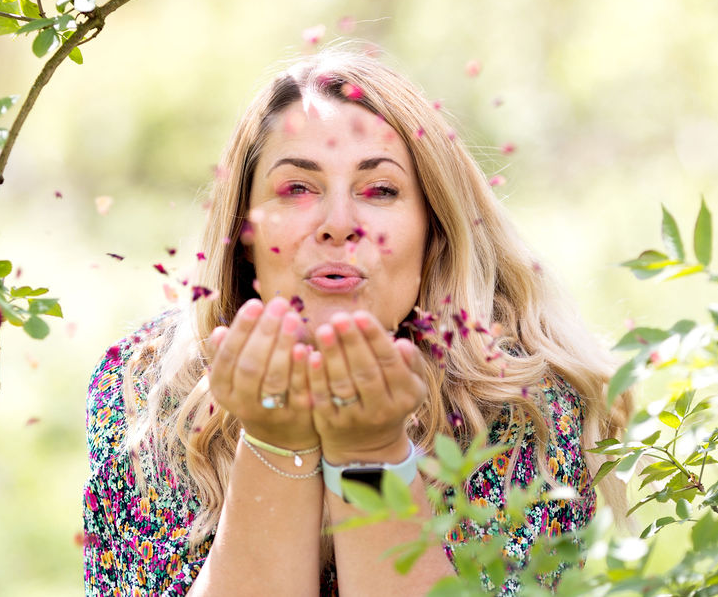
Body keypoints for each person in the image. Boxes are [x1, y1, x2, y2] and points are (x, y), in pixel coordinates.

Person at [82, 47, 630, 596]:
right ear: (244, 233)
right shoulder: (144, 388)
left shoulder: (529, 399)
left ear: (432, 230)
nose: (339, 225)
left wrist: (371, 456)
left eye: (380, 190)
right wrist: (275, 444)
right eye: (297, 188)